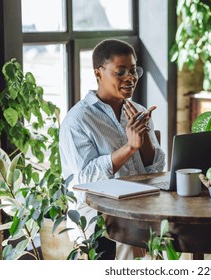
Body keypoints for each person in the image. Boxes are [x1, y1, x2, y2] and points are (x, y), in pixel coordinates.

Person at [59, 39, 165, 259]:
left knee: (182, 230)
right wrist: (129, 147)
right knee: (131, 240)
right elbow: (83, 180)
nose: (131, 78)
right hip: (95, 212)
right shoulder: (78, 120)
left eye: (134, 71)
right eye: (121, 72)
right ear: (99, 74)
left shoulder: (138, 111)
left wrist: (143, 136)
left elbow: (155, 167)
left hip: (138, 202)